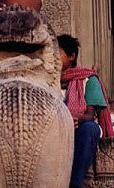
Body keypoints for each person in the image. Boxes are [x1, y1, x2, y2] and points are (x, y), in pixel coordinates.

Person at [57, 34, 114, 188]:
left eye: (58, 53)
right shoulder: (48, 80)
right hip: (57, 127)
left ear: (71, 56)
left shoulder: (88, 79)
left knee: (90, 128)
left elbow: (90, 114)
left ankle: (75, 184)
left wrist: (75, 120)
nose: (53, 57)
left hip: (81, 125)